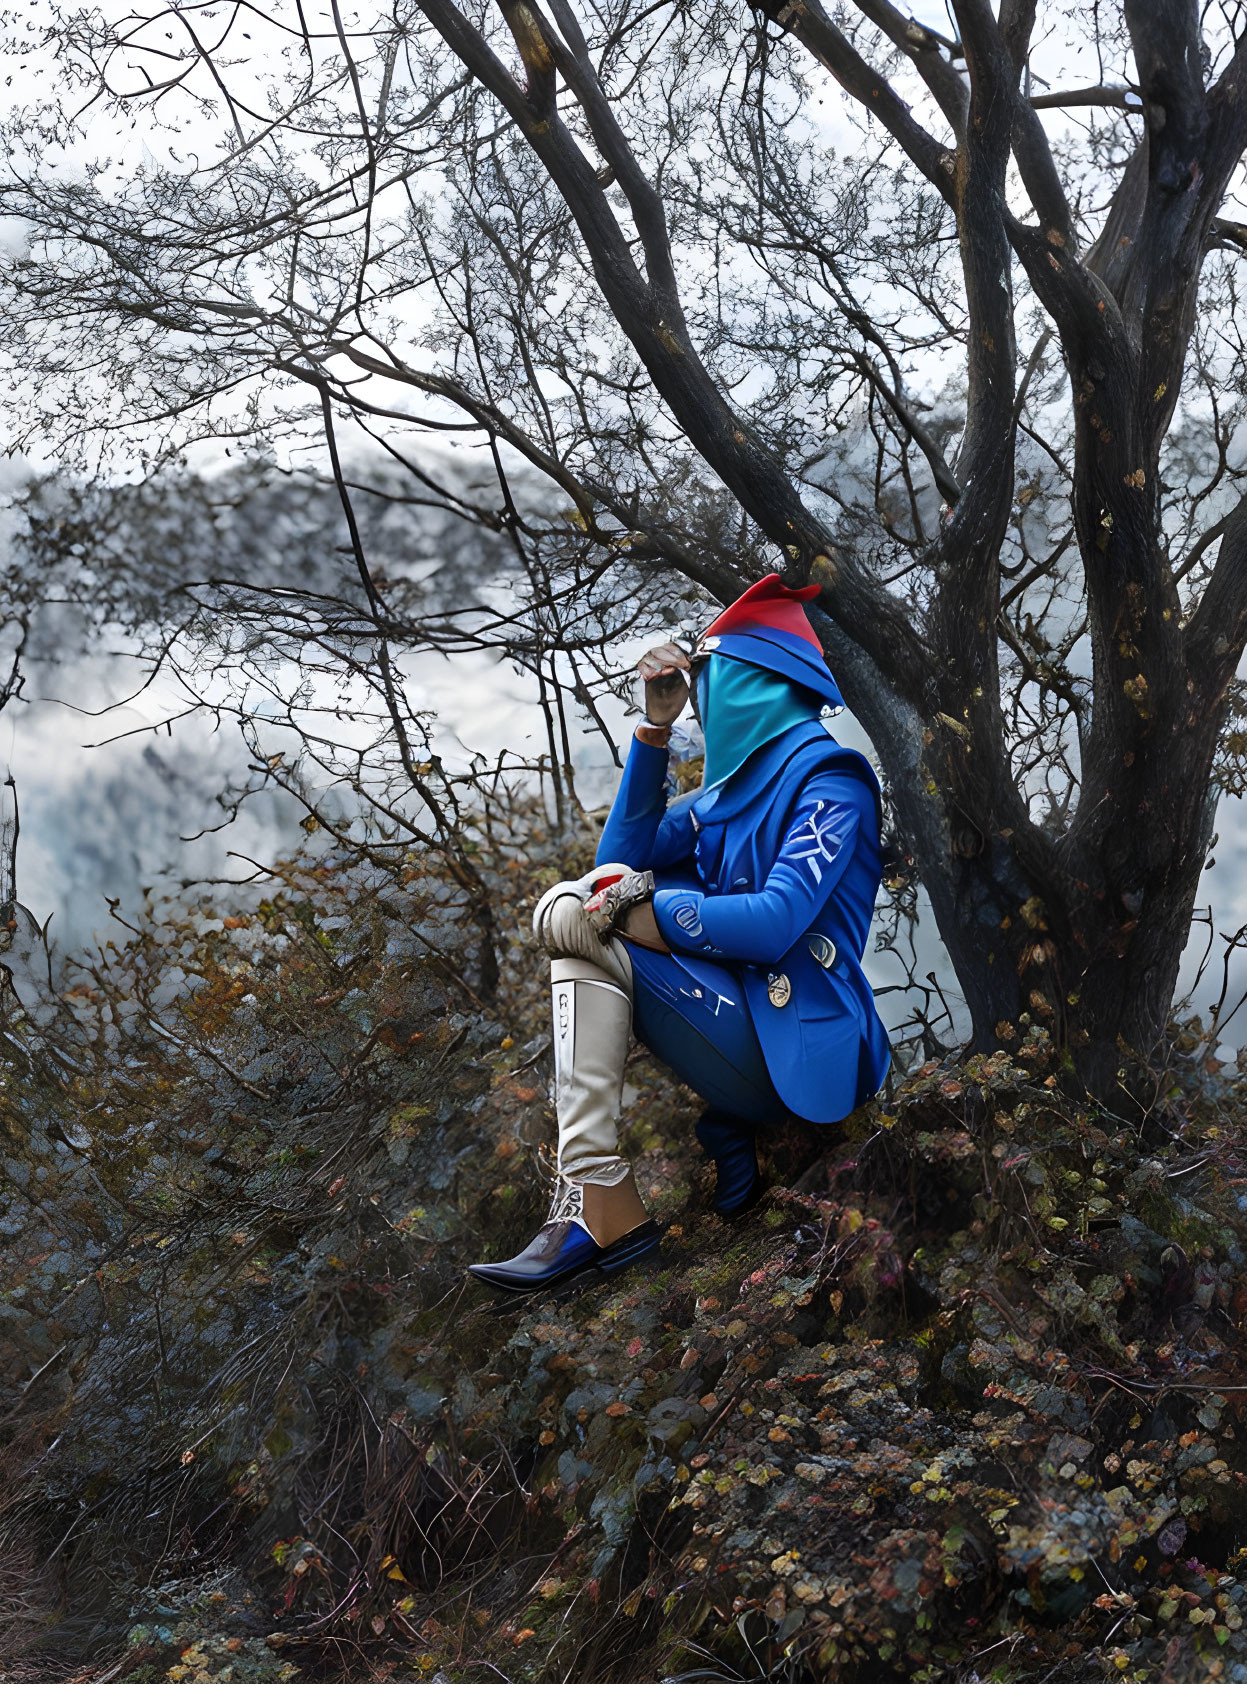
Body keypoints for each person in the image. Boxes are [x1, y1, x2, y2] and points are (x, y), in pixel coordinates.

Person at [469, 574, 891, 1294]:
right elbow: (619, 860)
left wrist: (647, 917)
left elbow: (775, 921)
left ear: (753, 681)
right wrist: (653, 731)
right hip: (746, 1024)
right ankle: (592, 1198)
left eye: (710, 675)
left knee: (582, 920)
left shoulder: (832, 781)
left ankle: (595, 1202)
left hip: (807, 1042)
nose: (703, 694)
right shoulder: (725, 795)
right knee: (578, 905)